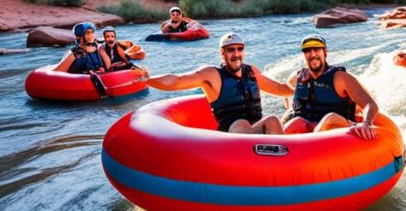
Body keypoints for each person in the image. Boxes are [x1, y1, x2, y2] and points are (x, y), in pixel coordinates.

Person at [146, 32, 291, 134]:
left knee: (273, 121)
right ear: (222, 53)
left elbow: (279, 88)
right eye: (230, 50)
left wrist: (307, 83)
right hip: (230, 135)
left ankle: (285, 170)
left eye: (240, 49)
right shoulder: (212, 75)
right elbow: (176, 81)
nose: (236, 54)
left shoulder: (251, 72)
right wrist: (146, 79)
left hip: (257, 129)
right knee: (243, 123)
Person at [284, 35, 379, 140]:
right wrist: (261, 78)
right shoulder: (301, 77)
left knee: (330, 118)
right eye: (307, 51)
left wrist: (367, 123)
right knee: (294, 122)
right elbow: (282, 89)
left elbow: (370, 104)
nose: (312, 54)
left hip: (339, 130)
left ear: (325, 52)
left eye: (317, 49)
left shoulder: (341, 78)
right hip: (312, 129)